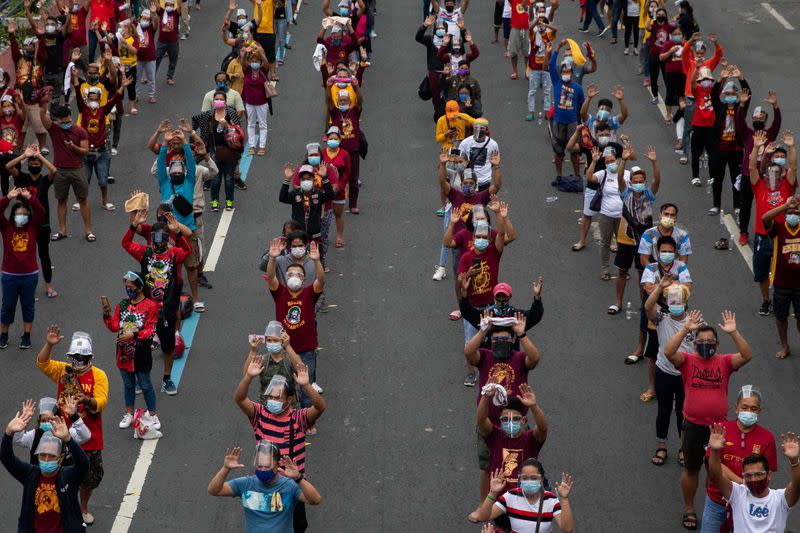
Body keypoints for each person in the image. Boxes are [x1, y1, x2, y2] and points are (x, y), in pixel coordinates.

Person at [663, 310, 753, 531]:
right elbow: (668, 351)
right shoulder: (687, 361)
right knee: (691, 469)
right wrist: (685, 328)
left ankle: (710, 506)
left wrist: (734, 332)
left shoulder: (724, 362)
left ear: (717, 344)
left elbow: (747, 354)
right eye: (701, 341)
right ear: (694, 344)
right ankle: (689, 508)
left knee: (715, 472)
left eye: (710, 341)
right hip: (693, 424)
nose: (705, 344)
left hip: (718, 428)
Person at [235, 362, 325, 530]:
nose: (272, 401)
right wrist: (248, 376)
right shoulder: (260, 415)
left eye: (278, 397)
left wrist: (306, 385)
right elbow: (239, 398)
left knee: (297, 525)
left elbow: (320, 407)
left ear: (289, 400)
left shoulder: (299, 419)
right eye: (270, 396)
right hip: (265, 483)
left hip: (292, 485)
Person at [36, 326, 108, 525]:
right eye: (73, 357)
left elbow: (101, 402)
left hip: (90, 437)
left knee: (90, 478)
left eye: (81, 358)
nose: (76, 362)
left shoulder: (99, 375)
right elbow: (42, 363)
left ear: (89, 358)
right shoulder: (63, 370)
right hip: (63, 435)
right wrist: (49, 345)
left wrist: (85, 399)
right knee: (60, 477)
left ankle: (83, 507)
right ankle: (65, 508)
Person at [465, 313, 540, 492]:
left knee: (520, 467)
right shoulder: (485, 356)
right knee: (488, 468)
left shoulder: (520, 359)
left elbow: (535, 358)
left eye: (505, 338)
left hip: (515, 424)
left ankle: (519, 503)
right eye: (496, 339)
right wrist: (484, 331)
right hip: (489, 425)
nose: (500, 342)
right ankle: (484, 506)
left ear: (512, 340)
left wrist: (522, 334)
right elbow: (468, 352)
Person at [123, 211, 192, 395]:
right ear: (151, 238)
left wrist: (177, 232)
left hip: (166, 309)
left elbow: (187, 251)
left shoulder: (173, 254)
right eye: (155, 237)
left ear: (168, 238)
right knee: (140, 345)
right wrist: (133, 225)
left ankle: (167, 378)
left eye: (163, 237)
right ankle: (140, 378)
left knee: (168, 346)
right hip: (146, 309)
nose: (159, 241)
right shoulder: (144, 252)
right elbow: (126, 243)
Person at [701, 386, 778, 533]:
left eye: (753, 408)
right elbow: (714, 464)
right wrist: (741, 482)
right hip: (717, 500)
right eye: (745, 407)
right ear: (736, 408)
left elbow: (767, 473)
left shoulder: (767, 438)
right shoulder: (721, 429)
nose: (749, 412)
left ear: (759, 411)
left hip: (747, 505)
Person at [1, 410, 89, 532]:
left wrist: (68, 439)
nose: (46, 459)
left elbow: (83, 464)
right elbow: (7, 458)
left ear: (61, 457)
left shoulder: (68, 476)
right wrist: (8, 433)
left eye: (51, 455)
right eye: (42, 455)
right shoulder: (30, 474)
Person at [264, 237, 326, 406]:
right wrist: (272, 258)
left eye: (299, 274)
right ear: (285, 276)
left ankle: (307, 419)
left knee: (307, 385)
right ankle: (288, 415)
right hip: (283, 349)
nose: (294, 277)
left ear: (304, 279)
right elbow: (270, 278)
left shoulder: (309, 293)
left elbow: (321, 280)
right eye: (290, 274)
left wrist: (317, 261)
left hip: (306, 350)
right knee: (284, 384)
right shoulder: (280, 293)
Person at [207, 442, 322, 532]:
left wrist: (298, 478)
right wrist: (225, 468)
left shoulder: (289, 486)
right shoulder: (245, 484)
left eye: (267, 466)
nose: (262, 469)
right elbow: (214, 490)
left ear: (277, 464)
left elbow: (315, 500)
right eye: (259, 465)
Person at [707, 426, 800, 533]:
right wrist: (714, 450)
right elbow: (716, 474)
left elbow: (797, 485)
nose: (754, 479)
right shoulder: (738, 494)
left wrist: (794, 461)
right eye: (748, 475)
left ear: (769, 475)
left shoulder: (780, 499)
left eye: (758, 474)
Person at [103, 271, 160, 431]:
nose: (128, 290)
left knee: (146, 384)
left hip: (141, 354)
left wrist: (133, 335)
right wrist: (106, 315)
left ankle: (153, 414)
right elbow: (114, 326)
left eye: (131, 287)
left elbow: (150, 331)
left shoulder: (150, 306)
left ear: (140, 287)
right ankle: (129, 413)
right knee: (128, 385)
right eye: (126, 287)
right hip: (123, 355)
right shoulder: (122, 305)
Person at [644, 276, 691, 468]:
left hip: (685, 375)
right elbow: (648, 307)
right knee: (663, 410)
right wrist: (660, 287)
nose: (675, 303)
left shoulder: (694, 321)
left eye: (679, 300)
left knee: (684, 412)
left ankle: (683, 448)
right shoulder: (661, 318)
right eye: (672, 300)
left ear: (685, 301)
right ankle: (661, 446)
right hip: (663, 372)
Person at [749, 130, 797, 317]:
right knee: (761, 272)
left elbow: (793, 168)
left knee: (787, 269)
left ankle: (787, 301)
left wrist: (791, 147)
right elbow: (752, 168)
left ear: (782, 174)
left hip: (783, 236)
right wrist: (755, 147)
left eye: (777, 173)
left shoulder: (787, 185)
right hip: (762, 236)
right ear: (766, 174)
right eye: (770, 173)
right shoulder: (759, 186)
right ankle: (766, 300)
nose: (774, 176)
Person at [610, 147, 660, 314]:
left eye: (641, 181)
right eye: (635, 181)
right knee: (622, 271)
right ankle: (618, 302)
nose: (638, 183)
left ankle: (644, 304)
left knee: (642, 273)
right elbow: (619, 178)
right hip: (625, 239)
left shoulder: (649, 194)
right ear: (631, 183)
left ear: (644, 182)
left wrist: (654, 162)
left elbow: (657, 181)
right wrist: (623, 160)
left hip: (644, 240)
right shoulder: (625, 194)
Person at [38, 95, 94, 242]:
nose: (63, 123)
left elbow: (85, 151)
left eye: (65, 120)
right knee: (61, 200)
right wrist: (43, 102)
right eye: (60, 120)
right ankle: (62, 230)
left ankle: (88, 231)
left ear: (70, 116)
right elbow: (43, 116)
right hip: (60, 170)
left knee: (83, 199)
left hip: (77, 169)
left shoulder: (80, 131)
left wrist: (73, 147)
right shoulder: (54, 129)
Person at [473, 459, 575, 532]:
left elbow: (568, 529)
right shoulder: (510, 496)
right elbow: (483, 517)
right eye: (525, 478)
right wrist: (492, 493)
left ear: (542, 479)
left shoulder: (551, 500)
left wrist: (564, 499)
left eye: (534, 478)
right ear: (520, 479)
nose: (529, 481)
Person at [8, 146, 56, 295]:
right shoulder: (22, 178)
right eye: (32, 164)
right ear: (28, 165)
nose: (34, 166)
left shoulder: (44, 181)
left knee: (44, 255)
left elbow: (54, 171)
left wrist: (39, 156)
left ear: (41, 166)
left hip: (42, 223)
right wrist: (25, 155)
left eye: (37, 165)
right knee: (23, 254)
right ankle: (24, 286)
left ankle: (48, 286)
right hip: (23, 223)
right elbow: (8, 166)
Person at [736, 88, 781, 245]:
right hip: (748, 176)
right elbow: (739, 122)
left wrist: (775, 106)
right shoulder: (747, 134)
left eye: (761, 118)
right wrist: (742, 104)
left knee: (767, 205)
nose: (758, 119)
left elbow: (777, 123)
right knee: (745, 206)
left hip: (766, 177)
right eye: (755, 117)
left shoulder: (770, 135)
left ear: (765, 120)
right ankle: (743, 233)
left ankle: (767, 232)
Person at [763, 196, 800, 359]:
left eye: (796, 212)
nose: (792, 214)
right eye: (789, 212)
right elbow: (765, 218)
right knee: (781, 317)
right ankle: (785, 346)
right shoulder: (777, 229)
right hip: (781, 283)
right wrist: (785, 205)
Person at [586, 145, 630, 280]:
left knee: (623, 244)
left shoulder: (627, 174)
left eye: (612, 161)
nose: (610, 164)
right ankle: (605, 269)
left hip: (623, 217)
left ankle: (623, 270)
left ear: (617, 160)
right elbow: (589, 178)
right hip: (606, 215)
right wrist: (593, 161)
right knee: (605, 243)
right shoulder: (603, 174)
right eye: (607, 162)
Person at [13, 397, 91, 464]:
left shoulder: (67, 433)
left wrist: (74, 417)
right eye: (43, 420)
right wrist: (24, 419)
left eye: (50, 420)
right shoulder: (34, 435)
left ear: (58, 418)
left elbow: (85, 436)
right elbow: (17, 439)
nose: (47, 423)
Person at [548, 42, 585, 181]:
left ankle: (577, 176)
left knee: (574, 151)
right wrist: (556, 49)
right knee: (558, 153)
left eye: (567, 72)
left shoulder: (577, 88)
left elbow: (581, 106)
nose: (565, 74)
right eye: (563, 72)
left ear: (571, 73)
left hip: (572, 123)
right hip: (558, 123)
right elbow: (551, 65)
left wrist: (581, 122)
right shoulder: (557, 82)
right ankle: (559, 176)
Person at [526, 8, 556, 122]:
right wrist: (536, 21)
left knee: (547, 91)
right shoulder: (533, 35)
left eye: (542, 23)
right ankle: (531, 113)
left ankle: (547, 112)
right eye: (539, 23)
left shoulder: (549, 36)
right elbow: (529, 28)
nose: (540, 25)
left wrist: (545, 24)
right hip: (534, 68)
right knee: (532, 91)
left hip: (547, 68)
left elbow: (555, 29)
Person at [241, 47, 271, 156]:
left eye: (257, 61)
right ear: (249, 62)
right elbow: (243, 62)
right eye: (252, 61)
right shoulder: (246, 70)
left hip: (262, 102)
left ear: (260, 62)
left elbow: (267, 63)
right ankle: (252, 146)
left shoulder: (263, 70)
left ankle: (262, 146)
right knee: (251, 124)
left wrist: (260, 52)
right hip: (249, 102)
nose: (254, 63)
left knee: (263, 125)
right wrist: (246, 54)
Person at [416, 15, 447, 119]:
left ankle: (447, 112)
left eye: (443, 28)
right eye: (438, 28)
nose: (441, 30)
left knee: (447, 93)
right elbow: (418, 38)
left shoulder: (449, 41)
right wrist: (424, 26)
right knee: (436, 95)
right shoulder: (430, 39)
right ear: (434, 30)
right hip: (433, 72)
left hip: (446, 72)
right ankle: (438, 114)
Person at [457, 119, 500, 192]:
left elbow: (494, 160)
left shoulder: (493, 144)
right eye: (476, 128)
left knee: (483, 203)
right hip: (469, 181)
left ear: (486, 129)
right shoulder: (465, 142)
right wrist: (462, 162)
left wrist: (491, 165)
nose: (478, 130)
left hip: (484, 181)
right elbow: (460, 159)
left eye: (481, 128)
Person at [153, 0, 181, 86]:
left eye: (171, 5)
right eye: (167, 5)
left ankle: (170, 77)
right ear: (165, 6)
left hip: (173, 42)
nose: (169, 6)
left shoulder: (175, 13)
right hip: (162, 42)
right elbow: (156, 4)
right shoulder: (162, 12)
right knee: (156, 59)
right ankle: (152, 76)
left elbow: (180, 6)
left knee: (173, 60)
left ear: (173, 6)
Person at [135, 8, 159, 104]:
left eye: (147, 19)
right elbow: (128, 19)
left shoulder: (151, 28)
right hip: (138, 58)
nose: (144, 20)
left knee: (151, 78)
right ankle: (135, 95)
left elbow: (156, 24)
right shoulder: (136, 27)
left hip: (150, 57)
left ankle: (151, 95)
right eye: (143, 18)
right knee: (136, 78)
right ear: (140, 18)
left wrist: (153, 13)